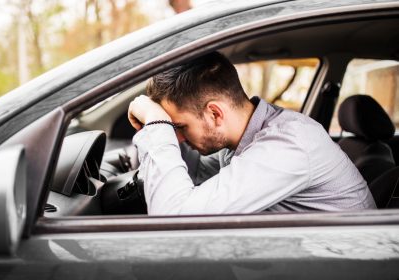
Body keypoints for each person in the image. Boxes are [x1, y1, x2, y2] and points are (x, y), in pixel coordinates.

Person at [128, 52, 376, 215]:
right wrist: (153, 133)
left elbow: (172, 221)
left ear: (215, 114)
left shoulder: (288, 144)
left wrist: (157, 127)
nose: (178, 139)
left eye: (179, 127)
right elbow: (195, 171)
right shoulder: (245, 137)